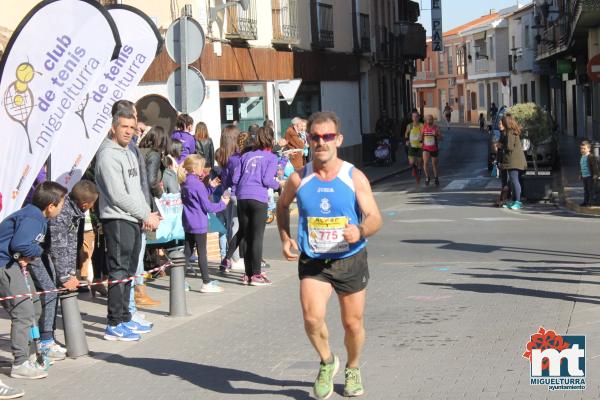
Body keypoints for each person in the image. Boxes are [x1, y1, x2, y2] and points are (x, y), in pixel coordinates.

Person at [276, 111, 382, 399]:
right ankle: (327, 361)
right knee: (312, 318)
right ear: (308, 140)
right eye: (316, 137)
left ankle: (353, 366)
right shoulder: (299, 179)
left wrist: (360, 230)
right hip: (314, 260)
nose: (322, 142)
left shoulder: (354, 177)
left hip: (350, 259)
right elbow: (282, 206)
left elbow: (375, 217)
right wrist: (285, 236)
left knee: (352, 323)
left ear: (339, 139)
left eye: (328, 136)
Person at [95, 107, 160, 341]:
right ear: (113, 127)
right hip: (117, 219)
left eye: (132, 128)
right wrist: (145, 214)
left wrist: (148, 212)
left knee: (129, 272)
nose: (129, 132)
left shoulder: (129, 151)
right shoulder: (107, 155)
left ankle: (125, 317)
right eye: (124, 127)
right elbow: (118, 195)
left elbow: (136, 189)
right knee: (119, 272)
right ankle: (114, 323)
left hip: (133, 218)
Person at [0, 181, 67, 384]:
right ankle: (20, 363)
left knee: (35, 306)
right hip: (4, 265)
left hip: (14, 263)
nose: (63, 207)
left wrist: (26, 254)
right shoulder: (33, 217)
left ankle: (31, 354)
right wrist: (35, 252)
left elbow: (20, 245)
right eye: (62, 203)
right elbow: (20, 243)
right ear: (51, 206)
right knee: (23, 312)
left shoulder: (37, 216)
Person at [30, 180, 98, 362]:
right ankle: (45, 341)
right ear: (85, 205)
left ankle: (47, 338)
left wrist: (70, 273)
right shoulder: (62, 215)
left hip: (47, 255)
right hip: (36, 255)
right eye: (93, 204)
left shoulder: (74, 213)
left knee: (52, 293)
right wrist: (64, 276)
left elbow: (70, 246)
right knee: (50, 294)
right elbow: (59, 248)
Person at [233, 127, 281, 285]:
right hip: (258, 198)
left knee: (246, 236)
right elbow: (267, 180)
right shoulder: (271, 157)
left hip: (242, 197)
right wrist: (279, 185)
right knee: (257, 237)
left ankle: (247, 275)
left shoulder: (245, 155)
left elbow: (235, 178)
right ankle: (257, 274)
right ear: (270, 139)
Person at [179, 154, 229, 292]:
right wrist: (223, 204)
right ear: (195, 169)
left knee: (187, 252)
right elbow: (207, 206)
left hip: (188, 221)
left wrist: (210, 187)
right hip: (199, 222)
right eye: (201, 166)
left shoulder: (185, 182)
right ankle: (206, 282)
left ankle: (180, 281)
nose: (204, 169)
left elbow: (197, 198)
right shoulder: (198, 184)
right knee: (202, 253)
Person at [216, 125, 242, 273]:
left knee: (230, 227)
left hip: (226, 192)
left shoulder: (224, 156)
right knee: (237, 227)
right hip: (236, 193)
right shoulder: (236, 158)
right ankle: (234, 258)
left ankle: (230, 258)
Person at [499, 113, 527, 210]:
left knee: (514, 181)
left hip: (513, 161)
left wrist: (501, 146)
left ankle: (518, 202)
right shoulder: (512, 132)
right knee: (513, 181)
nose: (501, 124)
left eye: (502, 122)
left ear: (506, 123)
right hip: (515, 161)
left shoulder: (510, 133)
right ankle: (514, 201)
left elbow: (509, 147)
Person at [422, 115, 443, 186]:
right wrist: (420, 142)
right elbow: (420, 137)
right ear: (426, 120)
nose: (429, 121)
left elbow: (441, 138)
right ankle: (427, 177)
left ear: (433, 120)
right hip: (426, 148)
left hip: (434, 148)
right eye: (428, 119)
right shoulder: (423, 127)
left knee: (434, 164)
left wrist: (436, 135)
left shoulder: (436, 128)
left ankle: (436, 177)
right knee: (425, 163)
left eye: (430, 119)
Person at [404, 111, 424, 184]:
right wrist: (406, 140)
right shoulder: (409, 126)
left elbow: (422, 134)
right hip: (412, 146)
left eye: (416, 116)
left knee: (419, 162)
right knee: (411, 162)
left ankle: (418, 174)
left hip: (419, 146)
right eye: (413, 116)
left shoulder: (421, 125)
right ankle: (414, 168)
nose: (415, 118)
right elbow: (406, 133)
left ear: (419, 117)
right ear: (412, 118)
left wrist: (422, 142)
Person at [579, 141, 599, 207]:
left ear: (589, 149)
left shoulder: (591, 157)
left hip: (590, 176)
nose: (582, 150)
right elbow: (582, 166)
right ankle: (585, 201)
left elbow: (595, 166)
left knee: (590, 190)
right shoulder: (582, 157)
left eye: (584, 148)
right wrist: (580, 174)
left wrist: (596, 174)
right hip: (584, 176)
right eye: (581, 148)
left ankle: (590, 202)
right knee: (585, 190)